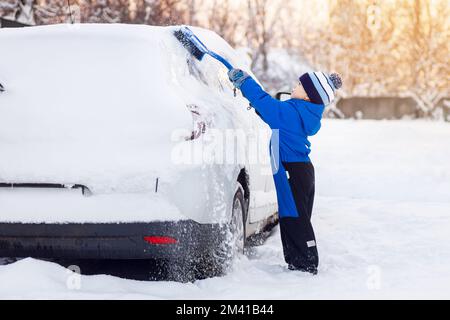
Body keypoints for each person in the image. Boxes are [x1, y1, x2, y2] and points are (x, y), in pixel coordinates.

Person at [228, 69, 342, 274]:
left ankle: (306, 264)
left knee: (295, 217)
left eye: (299, 85)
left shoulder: (290, 112)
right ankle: (296, 261)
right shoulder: (300, 112)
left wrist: (244, 82)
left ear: (308, 95)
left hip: (292, 171)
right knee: (293, 216)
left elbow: (263, 101)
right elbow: (270, 112)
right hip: (300, 171)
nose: (293, 86)